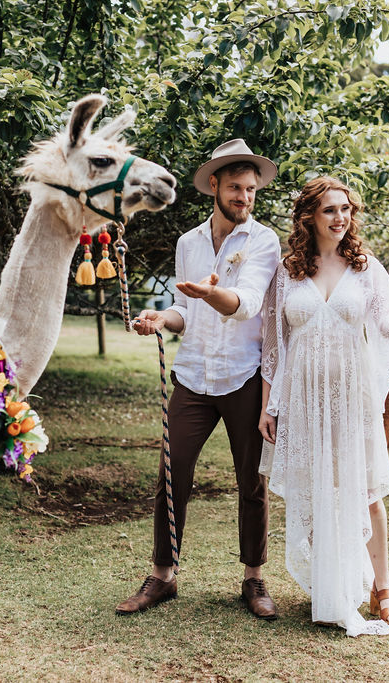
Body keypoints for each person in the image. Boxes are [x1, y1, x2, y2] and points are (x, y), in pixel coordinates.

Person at [258, 176, 389, 636]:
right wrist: (270, 406)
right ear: (309, 216)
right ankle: (333, 585)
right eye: (329, 210)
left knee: (365, 491)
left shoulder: (365, 267)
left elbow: (387, 322)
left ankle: (382, 589)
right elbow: (273, 345)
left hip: (350, 398)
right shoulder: (287, 272)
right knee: (315, 488)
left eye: (346, 209)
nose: (340, 218)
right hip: (304, 400)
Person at [116, 140, 282, 619]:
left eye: (251, 189)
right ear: (215, 186)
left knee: (252, 481)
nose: (245, 197)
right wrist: (160, 319)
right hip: (192, 377)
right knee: (172, 472)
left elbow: (245, 303)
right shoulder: (188, 243)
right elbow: (184, 310)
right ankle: (163, 576)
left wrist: (213, 295)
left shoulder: (263, 241)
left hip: (243, 376)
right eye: (236, 187)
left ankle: (253, 578)